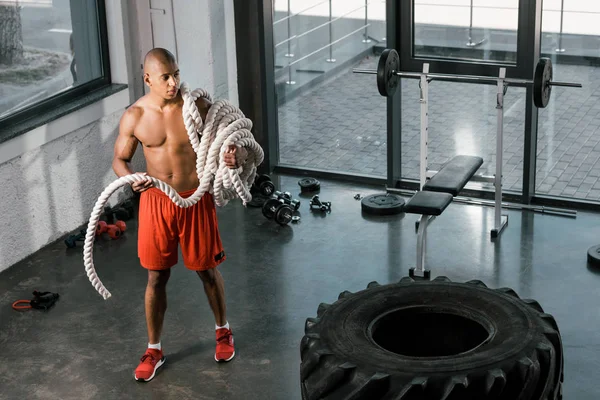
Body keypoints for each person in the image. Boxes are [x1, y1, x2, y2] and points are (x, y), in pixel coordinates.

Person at [112, 48, 241, 382]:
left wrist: (232, 155)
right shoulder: (135, 116)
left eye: (176, 74)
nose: (173, 83)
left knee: (207, 271)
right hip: (156, 201)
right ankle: (154, 349)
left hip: (195, 198)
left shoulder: (194, 107)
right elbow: (119, 160)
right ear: (148, 79)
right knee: (156, 277)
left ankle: (223, 331)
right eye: (165, 77)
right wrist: (129, 178)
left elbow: (230, 139)